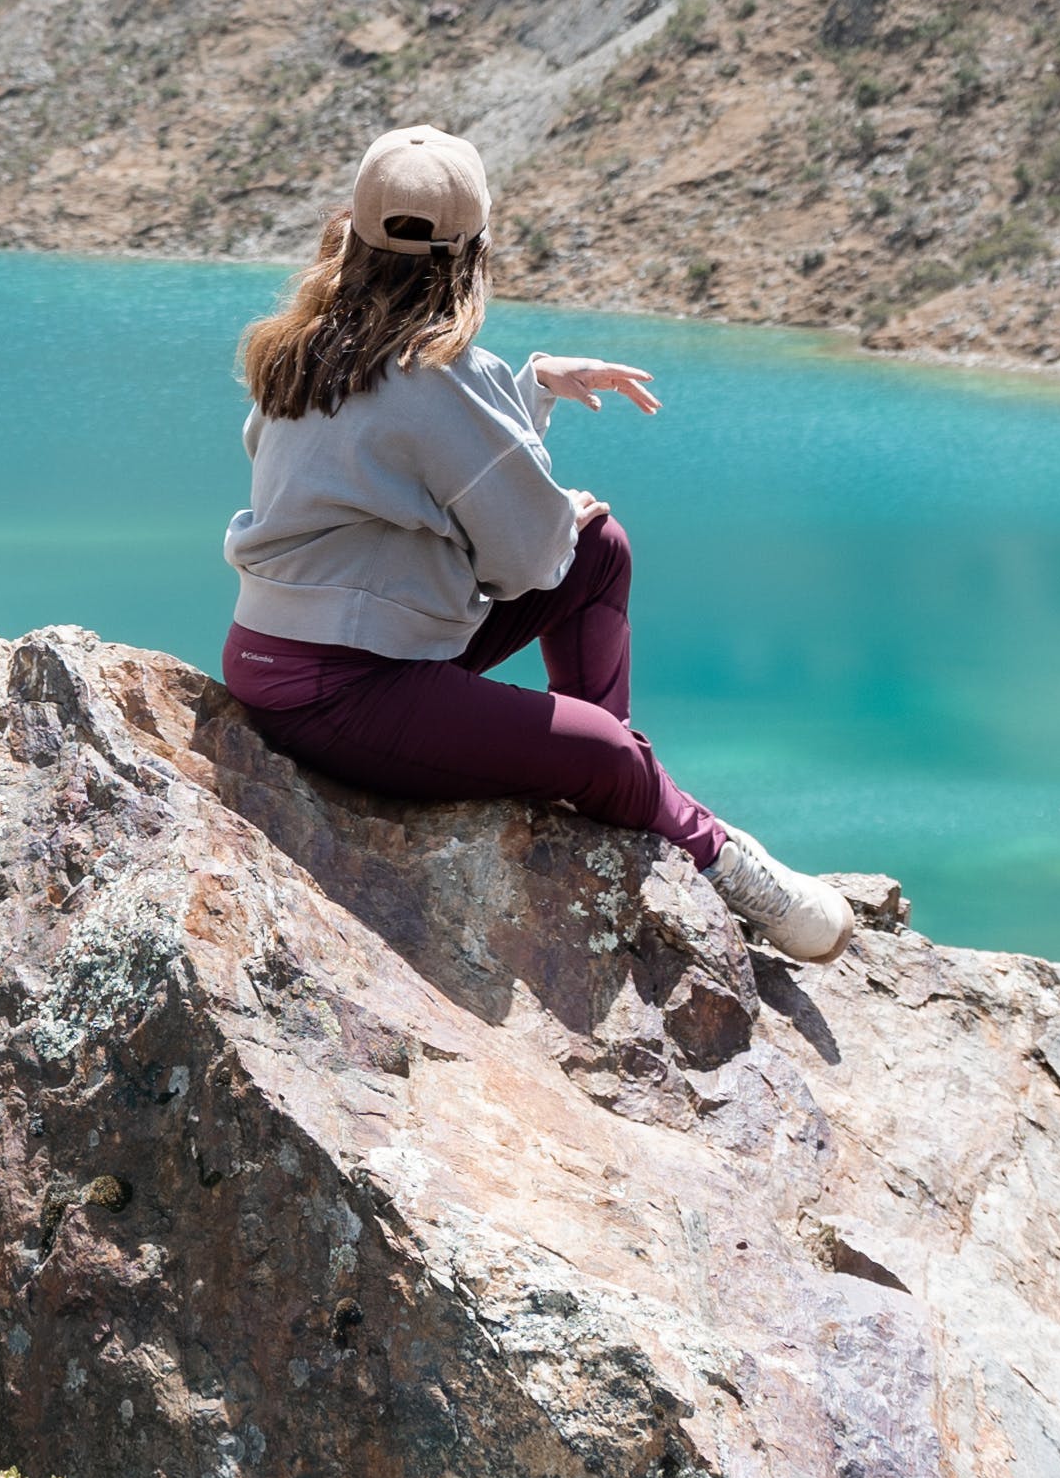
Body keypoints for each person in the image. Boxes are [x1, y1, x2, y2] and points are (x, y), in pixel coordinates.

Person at [221, 123, 854, 964]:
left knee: (597, 551)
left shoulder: (304, 346)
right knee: (595, 611)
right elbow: (523, 560)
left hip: (285, 655)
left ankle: (631, 790)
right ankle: (703, 844)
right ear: (474, 251)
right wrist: (558, 505)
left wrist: (529, 391)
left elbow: (396, 464)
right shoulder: (442, 375)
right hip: (343, 690)